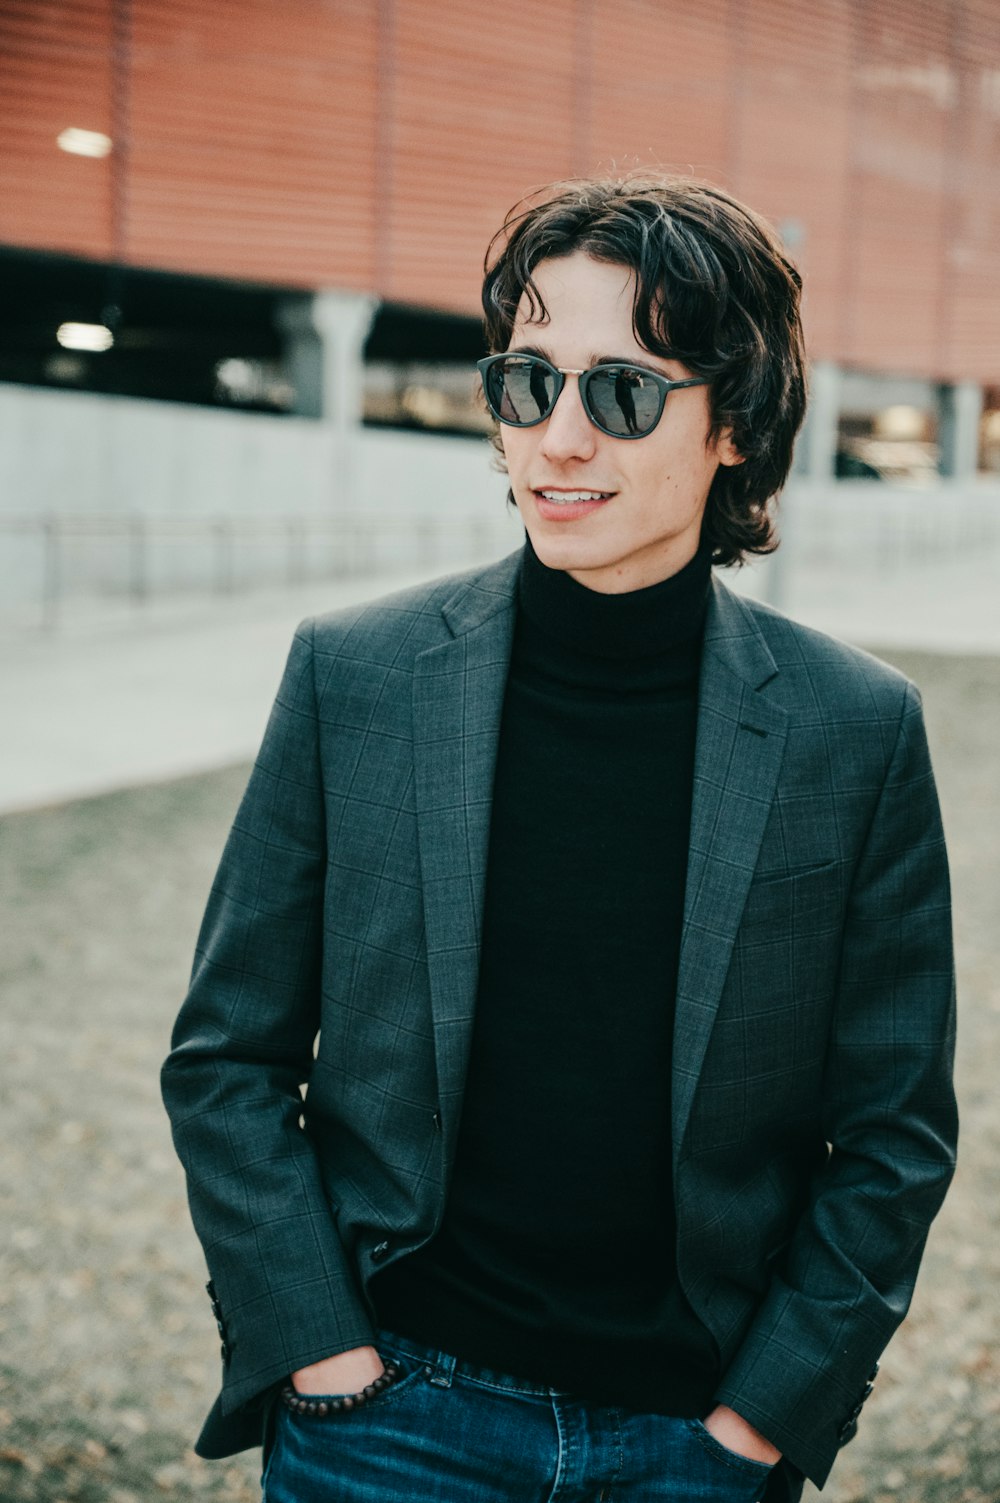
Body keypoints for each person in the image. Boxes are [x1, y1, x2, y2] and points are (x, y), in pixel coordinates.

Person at [162, 175, 957, 1503]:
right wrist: (320, 1348)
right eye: (528, 382)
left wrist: (763, 1418)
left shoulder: (854, 729)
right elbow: (228, 1056)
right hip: (390, 1424)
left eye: (624, 392)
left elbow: (892, 1133)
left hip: (690, 1443)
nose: (560, 437)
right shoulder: (355, 677)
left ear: (735, 428)